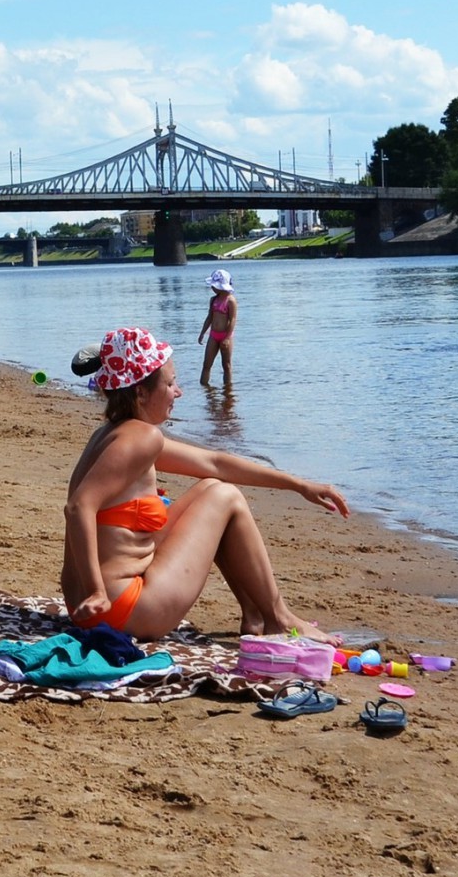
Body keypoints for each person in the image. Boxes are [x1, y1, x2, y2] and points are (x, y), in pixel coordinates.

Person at [61, 326, 349, 640]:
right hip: (122, 609)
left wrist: (298, 485)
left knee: (212, 488)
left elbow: (215, 463)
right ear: (140, 392)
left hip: (90, 609)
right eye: (170, 383)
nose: (178, 392)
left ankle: (255, 616)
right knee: (225, 496)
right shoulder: (141, 438)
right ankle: (278, 617)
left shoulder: (114, 433)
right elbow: (78, 508)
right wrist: (97, 591)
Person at [197, 269, 237, 387]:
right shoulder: (213, 300)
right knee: (207, 364)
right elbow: (209, 317)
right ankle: (204, 387)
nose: (212, 288)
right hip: (213, 336)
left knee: (226, 365)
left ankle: (228, 390)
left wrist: (227, 338)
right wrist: (202, 333)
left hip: (225, 336)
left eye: (215, 286)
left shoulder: (230, 301)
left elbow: (233, 319)